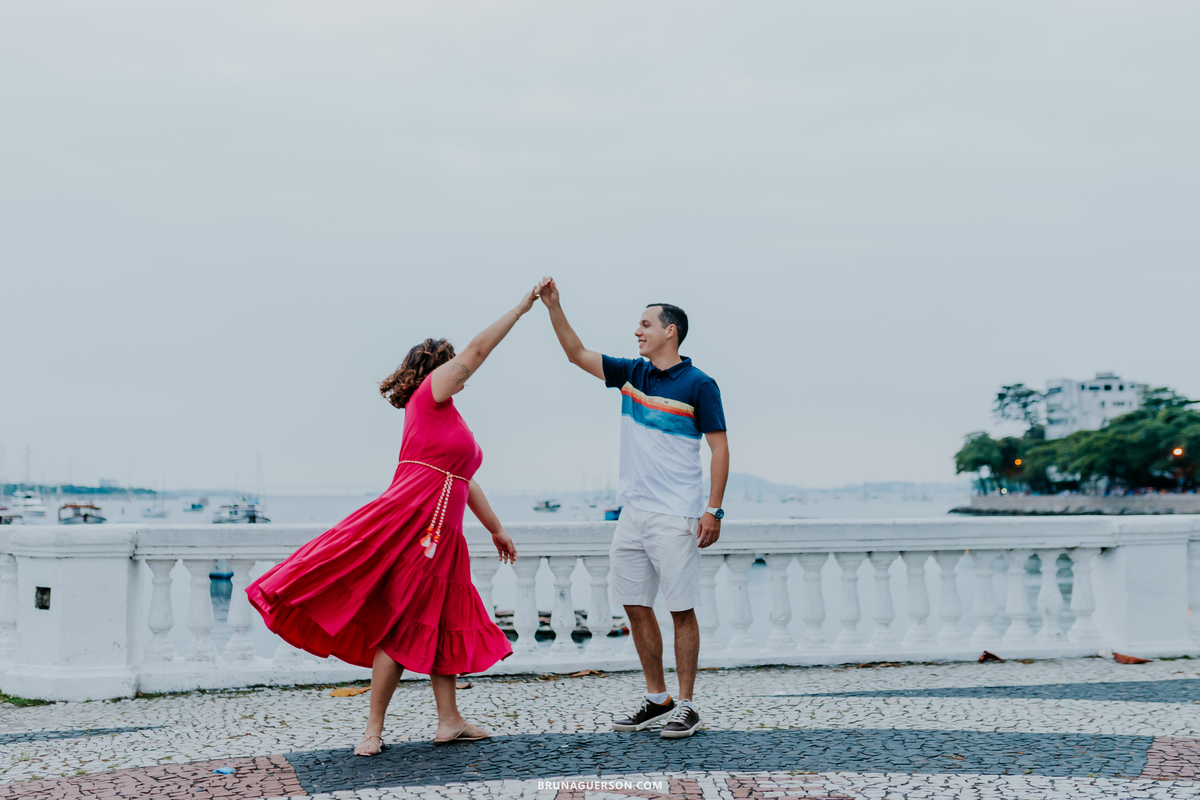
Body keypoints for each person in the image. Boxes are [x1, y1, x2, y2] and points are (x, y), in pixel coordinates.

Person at [247, 282, 547, 756]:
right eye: (454, 364)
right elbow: (479, 348)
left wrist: (495, 528)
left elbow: (464, 478)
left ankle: (449, 720)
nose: (463, 371)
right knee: (401, 625)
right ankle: (372, 730)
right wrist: (522, 308)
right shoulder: (430, 395)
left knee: (440, 622)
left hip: (442, 534)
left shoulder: (451, 417)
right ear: (437, 367)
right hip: (412, 523)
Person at [539, 278, 728, 740]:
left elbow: (720, 450)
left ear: (671, 331)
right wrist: (554, 307)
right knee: (635, 605)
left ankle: (686, 704)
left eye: (645, 325)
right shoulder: (631, 374)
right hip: (633, 514)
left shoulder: (699, 384)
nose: (637, 332)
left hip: (677, 515)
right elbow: (575, 353)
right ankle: (657, 696)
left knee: (680, 609)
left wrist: (714, 510)